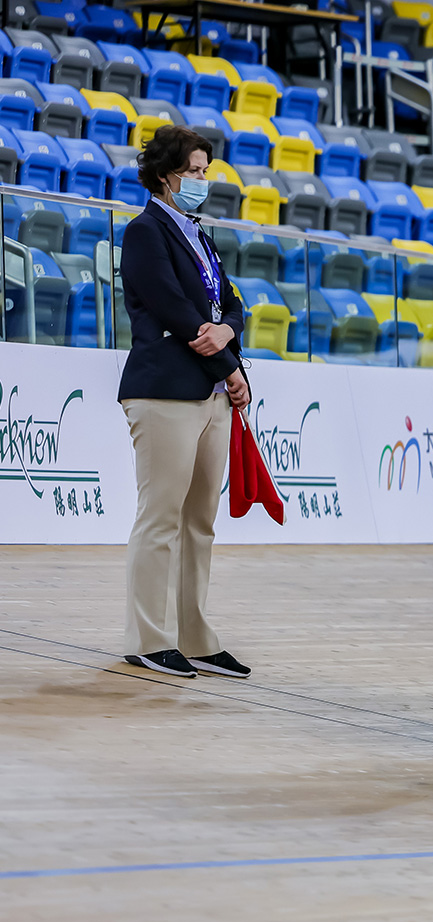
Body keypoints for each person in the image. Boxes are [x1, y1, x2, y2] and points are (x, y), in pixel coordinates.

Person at [116, 124, 253, 680]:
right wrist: (227, 359)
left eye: (204, 171)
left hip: (211, 392)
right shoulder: (145, 231)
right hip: (165, 389)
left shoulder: (198, 232)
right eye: (193, 172)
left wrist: (231, 346)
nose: (202, 180)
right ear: (165, 176)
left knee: (200, 520)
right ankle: (148, 637)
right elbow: (174, 308)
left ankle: (194, 635)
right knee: (161, 517)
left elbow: (231, 303)